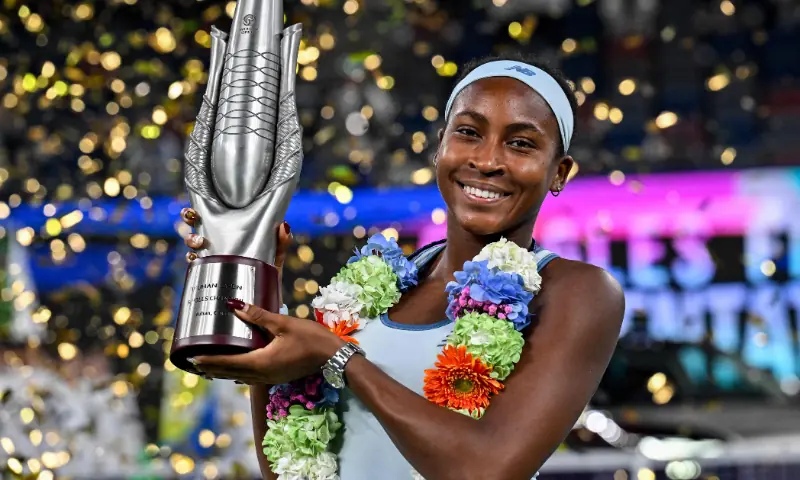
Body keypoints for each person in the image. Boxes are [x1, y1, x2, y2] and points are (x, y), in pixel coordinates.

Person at [180, 52, 625, 479]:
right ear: (440, 145)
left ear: (559, 172)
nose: (487, 160)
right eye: (469, 132)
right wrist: (258, 278)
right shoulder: (376, 285)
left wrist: (339, 357)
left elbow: (486, 471)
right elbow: (284, 468)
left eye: (521, 143)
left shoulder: (577, 291)